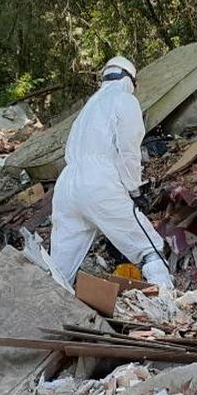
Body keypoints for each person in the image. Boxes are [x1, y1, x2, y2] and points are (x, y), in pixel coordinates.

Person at [49, 56, 175, 290]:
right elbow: (128, 150)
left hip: (66, 186)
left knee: (60, 267)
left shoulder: (88, 108)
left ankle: (46, 302)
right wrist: (134, 189)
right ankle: (166, 300)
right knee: (149, 247)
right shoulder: (124, 100)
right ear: (130, 80)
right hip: (97, 182)